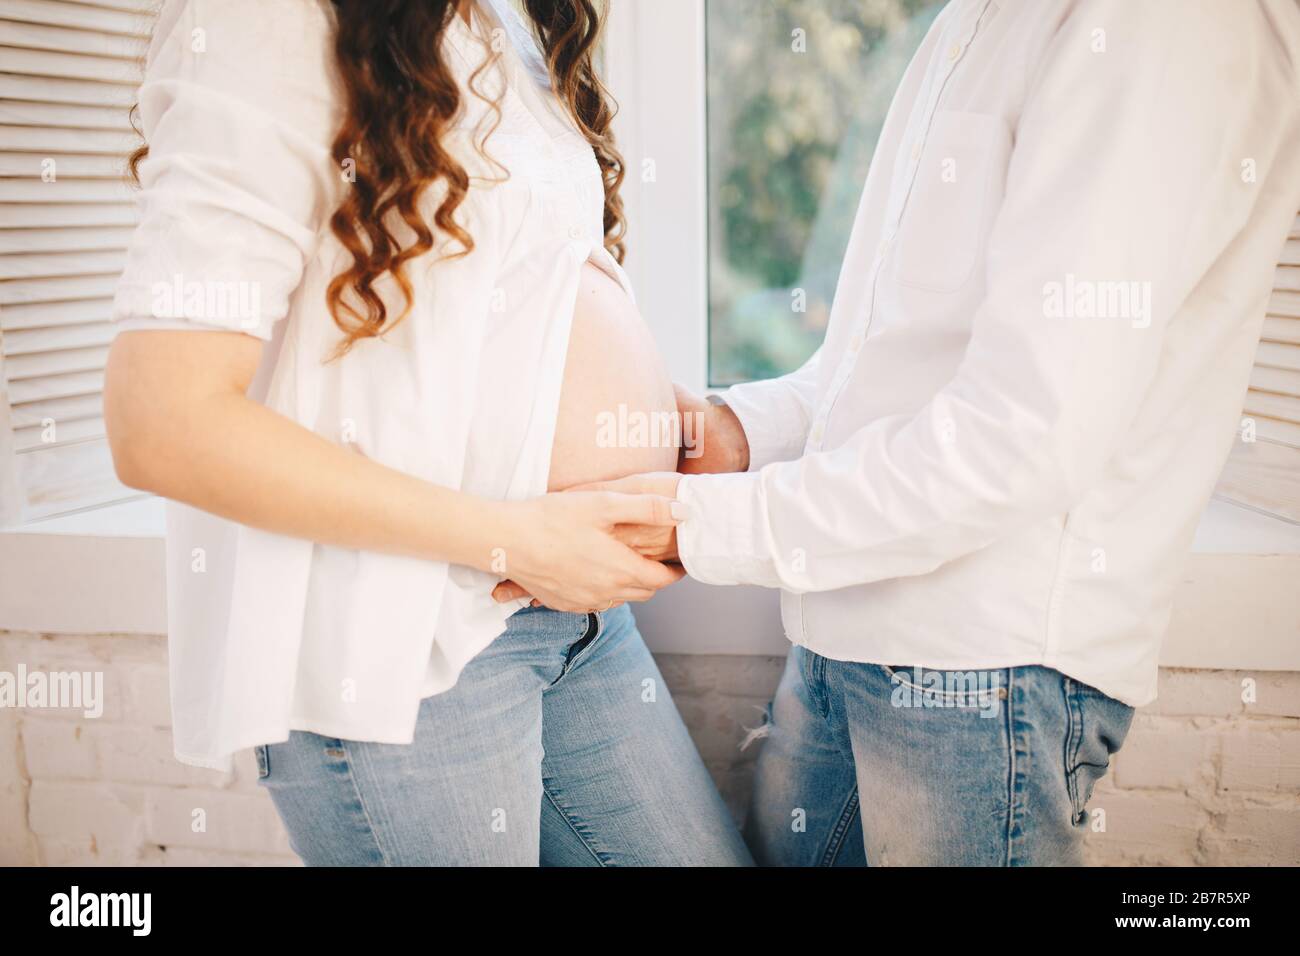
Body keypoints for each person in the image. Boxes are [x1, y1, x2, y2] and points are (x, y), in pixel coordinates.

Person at [544, 0, 1300, 865]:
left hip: (982, 669)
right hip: (846, 634)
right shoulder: (971, 22)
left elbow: (1022, 437)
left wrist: (707, 525)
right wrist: (735, 434)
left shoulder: (1152, 25)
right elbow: (883, 367)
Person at [104, 0, 751, 866]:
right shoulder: (271, 20)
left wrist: (658, 421)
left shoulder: (509, 23)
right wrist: (514, 538)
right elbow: (162, 421)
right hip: (405, 650)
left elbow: (483, 315)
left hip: (571, 616)